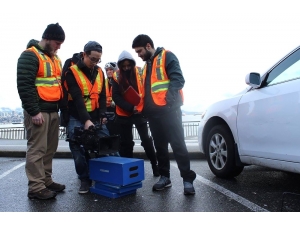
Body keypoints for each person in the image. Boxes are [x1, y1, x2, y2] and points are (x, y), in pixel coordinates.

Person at [132, 34, 196, 195]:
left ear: (148, 46)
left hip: (169, 111)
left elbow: (178, 79)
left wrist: (169, 99)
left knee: (178, 145)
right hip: (153, 114)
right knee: (160, 147)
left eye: (139, 51)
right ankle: (165, 177)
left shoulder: (167, 56)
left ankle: (187, 180)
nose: (138, 55)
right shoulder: (146, 66)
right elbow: (146, 91)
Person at [16, 23, 66, 200]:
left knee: (49, 149)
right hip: (39, 112)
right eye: (57, 43)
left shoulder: (54, 58)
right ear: (47, 38)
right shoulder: (30, 55)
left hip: (52, 111)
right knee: (37, 149)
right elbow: (25, 85)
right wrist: (34, 111)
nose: (59, 47)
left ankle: (46, 180)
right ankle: (36, 187)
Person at [63, 41, 115, 194]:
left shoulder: (100, 71)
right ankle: (84, 179)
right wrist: (86, 120)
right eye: (92, 59)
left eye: (98, 60)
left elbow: (102, 94)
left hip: (95, 114)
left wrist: (102, 114)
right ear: (84, 54)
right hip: (76, 115)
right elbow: (78, 98)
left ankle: (104, 174)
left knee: (105, 143)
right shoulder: (71, 71)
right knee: (76, 146)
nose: (95, 63)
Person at [112, 50, 159, 177]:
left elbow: (146, 91)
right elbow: (115, 97)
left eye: (129, 65)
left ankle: (155, 165)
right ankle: (128, 169)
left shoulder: (140, 71)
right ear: (120, 65)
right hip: (123, 114)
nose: (126, 68)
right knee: (126, 143)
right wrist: (129, 107)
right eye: (124, 66)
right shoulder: (116, 76)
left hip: (139, 112)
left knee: (146, 141)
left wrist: (140, 108)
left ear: (132, 64)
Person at [104, 62, 120, 136]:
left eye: (111, 69)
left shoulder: (119, 81)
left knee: (118, 131)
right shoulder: (103, 82)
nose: (108, 71)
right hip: (107, 110)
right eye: (107, 70)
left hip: (118, 110)